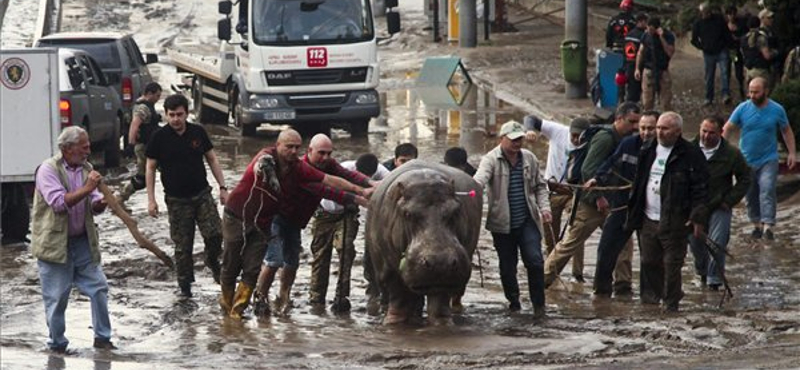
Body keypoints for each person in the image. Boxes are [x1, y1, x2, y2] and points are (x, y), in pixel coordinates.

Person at [221, 129, 368, 319]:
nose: (293, 151)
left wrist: (364, 189)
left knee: (260, 267)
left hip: (272, 221)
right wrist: (358, 197)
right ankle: (232, 304)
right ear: (278, 145)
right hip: (245, 216)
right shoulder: (268, 157)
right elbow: (262, 163)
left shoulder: (299, 168)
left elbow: (332, 179)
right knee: (240, 263)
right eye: (289, 147)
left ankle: (243, 311)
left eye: (296, 148)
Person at [31, 126, 116, 353]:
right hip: (54, 245)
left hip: (82, 243)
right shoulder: (48, 170)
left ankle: (103, 339)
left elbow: (94, 201)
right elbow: (59, 204)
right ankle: (57, 346)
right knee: (57, 298)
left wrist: (99, 203)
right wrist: (89, 189)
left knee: (99, 288)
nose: (89, 149)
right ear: (67, 149)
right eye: (84, 146)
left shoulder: (86, 168)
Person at [544, 102, 641, 288]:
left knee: (624, 244)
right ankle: (541, 283)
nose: (635, 127)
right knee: (569, 245)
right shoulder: (605, 138)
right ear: (619, 119)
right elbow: (588, 169)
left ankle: (622, 285)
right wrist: (598, 197)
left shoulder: (626, 140)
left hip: (613, 203)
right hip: (590, 203)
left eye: (638, 122)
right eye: (632, 122)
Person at [626, 112, 709, 312]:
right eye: (658, 128)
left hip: (675, 220)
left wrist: (697, 217)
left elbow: (701, 188)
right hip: (648, 217)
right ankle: (661, 298)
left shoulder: (690, 154)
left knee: (672, 265)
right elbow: (639, 182)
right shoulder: (648, 149)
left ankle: (671, 306)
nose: (659, 132)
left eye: (665, 129)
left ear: (678, 132)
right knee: (648, 262)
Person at [145, 94, 227, 297]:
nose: (175, 119)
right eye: (171, 115)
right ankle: (185, 288)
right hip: (176, 200)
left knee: (216, 234)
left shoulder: (197, 132)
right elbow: (150, 167)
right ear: (165, 114)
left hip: (202, 194)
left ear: (187, 113)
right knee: (183, 247)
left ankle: (212, 260)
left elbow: (212, 159)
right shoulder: (159, 137)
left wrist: (223, 187)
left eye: (179, 115)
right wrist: (151, 199)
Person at [473, 120, 552, 317]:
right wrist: (472, 192)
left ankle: (539, 305)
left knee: (535, 261)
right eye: (513, 139)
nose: (517, 143)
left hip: (527, 220)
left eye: (520, 139)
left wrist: (545, 208)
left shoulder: (529, 159)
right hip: (502, 224)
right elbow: (480, 180)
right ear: (502, 139)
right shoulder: (491, 160)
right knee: (507, 267)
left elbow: (540, 186)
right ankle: (514, 302)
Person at [585, 110, 659, 297]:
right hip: (623, 205)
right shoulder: (628, 145)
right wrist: (597, 180)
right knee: (606, 249)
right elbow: (610, 164)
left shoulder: (664, 150)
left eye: (650, 128)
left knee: (650, 257)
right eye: (642, 128)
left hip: (650, 211)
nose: (646, 133)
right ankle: (601, 294)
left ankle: (650, 300)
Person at [308, 153, 389, 313]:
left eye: (368, 177)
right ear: (356, 169)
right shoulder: (344, 169)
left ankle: (341, 298)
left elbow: (391, 187)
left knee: (346, 252)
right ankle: (316, 299)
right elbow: (333, 190)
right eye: (361, 176)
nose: (364, 178)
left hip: (347, 215)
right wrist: (360, 196)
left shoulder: (382, 173)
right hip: (324, 213)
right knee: (320, 256)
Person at [723, 77, 796, 240]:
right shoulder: (742, 108)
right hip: (746, 159)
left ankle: (768, 225)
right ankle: (756, 224)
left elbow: (786, 131)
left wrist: (791, 152)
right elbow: (728, 128)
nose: (752, 95)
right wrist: (722, 149)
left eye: (756, 92)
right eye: (750, 92)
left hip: (769, 158)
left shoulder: (777, 109)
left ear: (766, 91)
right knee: (750, 194)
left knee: (767, 188)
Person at [523, 114, 590, 282]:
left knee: (576, 228)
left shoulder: (592, 143)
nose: (575, 140)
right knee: (549, 231)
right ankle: (552, 270)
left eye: (579, 137)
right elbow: (531, 118)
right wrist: (530, 130)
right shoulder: (558, 131)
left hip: (573, 192)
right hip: (552, 191)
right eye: (573, 136)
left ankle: (577, 273)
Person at [689, 115, 751, 290]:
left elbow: (745, 178)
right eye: (704, 131)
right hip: (693, 206)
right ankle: (702, 272)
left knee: (717, 242)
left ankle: (714, 280)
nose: (707, 136)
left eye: (711, 133)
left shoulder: (731, 153)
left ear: (720, 132)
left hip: (719, 205)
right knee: (695, 243)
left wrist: (730, 200)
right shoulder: (688, 149)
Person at [118, 82, 162, 204]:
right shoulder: (143, 108)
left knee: (165, 171)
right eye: (157, 96)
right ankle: (119, 198)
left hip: (149, 146)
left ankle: (120, 198)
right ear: (149, 94)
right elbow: (134, 125)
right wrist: (131, 145)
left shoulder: (145, 106)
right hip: (144, 147)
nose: (158, 99)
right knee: (142, 179)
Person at [692, 3, 732, 106]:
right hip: (708, 52)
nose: (705, 15)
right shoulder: (698, 23)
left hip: (721, 49)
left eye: (707, 12)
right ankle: (709, 97)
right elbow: (694, 40)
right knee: (709, 76)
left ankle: (725, 94)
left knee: (725, 73)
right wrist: (703, 47)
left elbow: (726, 33)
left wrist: (728, 44)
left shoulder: (718, 20)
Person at [635, 17, 676, 111]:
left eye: (652, 30)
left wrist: (661, 38)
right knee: (647, 101)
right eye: (648, 29)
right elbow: (640, 52)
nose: (649, 31)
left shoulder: (668, 35)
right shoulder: (646, 35)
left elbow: (670, 52)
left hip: (662, 69)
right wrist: (637, 68)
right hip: (649, 69)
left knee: (665, 101)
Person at [742, 10, 777, 87]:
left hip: (748, 70)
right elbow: (767, 55)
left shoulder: (744, 38)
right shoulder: (760, 37)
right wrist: (776, 52)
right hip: (761, 70)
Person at [725, 5, 750, 100]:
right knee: (727, 70)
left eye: (733, 14)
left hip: (737, 49)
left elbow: (746, 34)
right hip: (730, 49)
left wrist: (739, 38)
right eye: (729, 14)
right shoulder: (725, 24)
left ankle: (741, 89)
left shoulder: (741, 23)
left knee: (738, 70)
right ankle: (727, 91)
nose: (731, 16)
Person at [623, 13, 648, 103]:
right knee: (638, 91)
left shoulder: (629, 34)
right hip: (639, 65)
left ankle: (629, 107)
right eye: (646, 22)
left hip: (628, 64)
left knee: (631, 90)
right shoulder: (643, 35)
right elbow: (643, 52)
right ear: (640, 22)